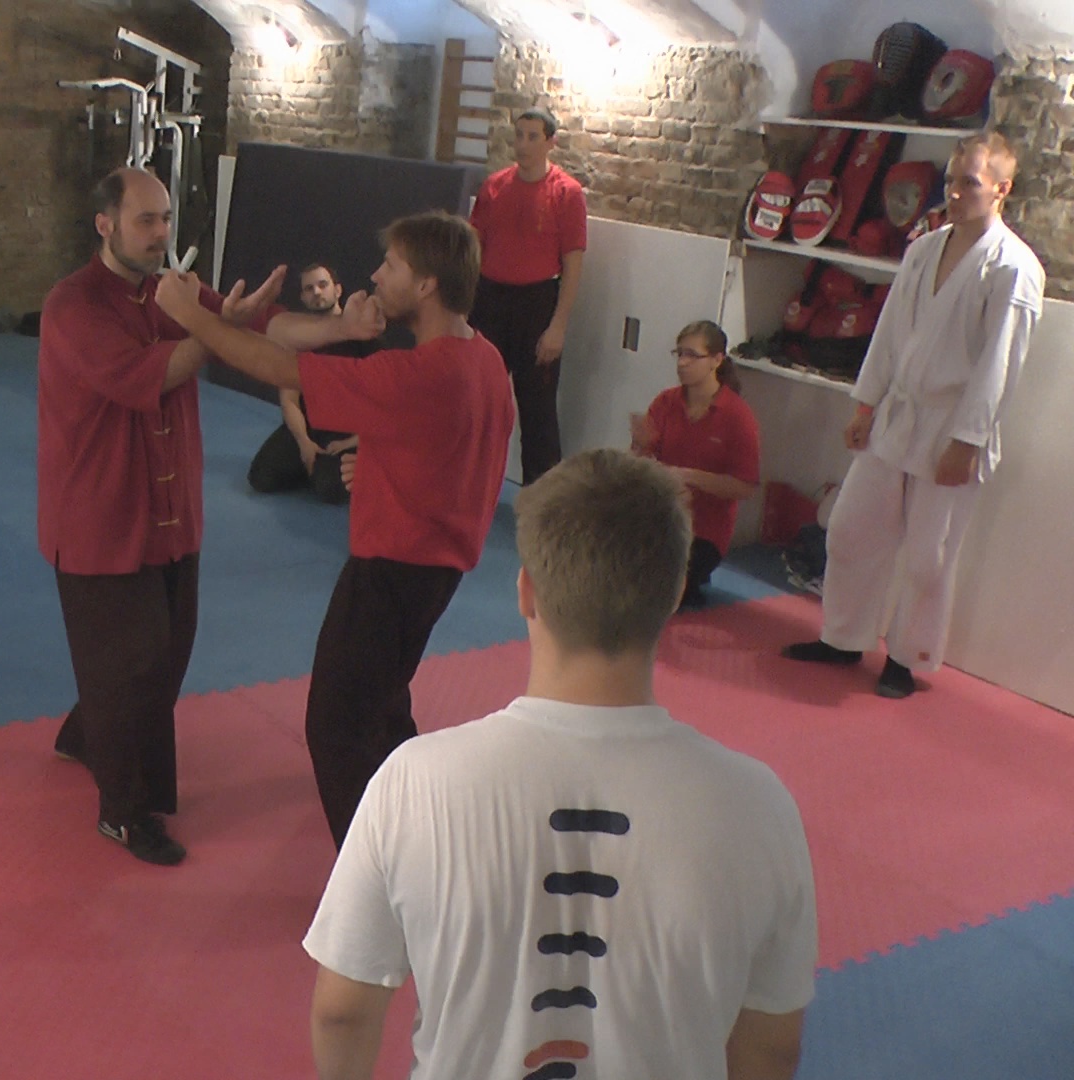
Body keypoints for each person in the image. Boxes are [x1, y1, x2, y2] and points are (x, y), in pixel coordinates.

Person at [302, 449, 818, 1080]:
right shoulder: (759, 806)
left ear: (527, 592)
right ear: (675, 592)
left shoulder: (413, 782)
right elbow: (772, 1047)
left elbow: (342, 1013)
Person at [38, 167, 381, 866]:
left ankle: (87, 735)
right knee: (133, 662)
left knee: (165, 653)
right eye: (145, 220)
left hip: (170, 512)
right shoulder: (73, 306)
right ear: (105, 224)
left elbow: (265, 325)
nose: (160, 233)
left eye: (166, 218)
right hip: (101, 513)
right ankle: (124, 812)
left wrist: (339, 326)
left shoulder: (173, 291)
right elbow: (159, 371)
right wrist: (215, 325)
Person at [154, 210, 514, 848]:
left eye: (392, 266)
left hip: (392, 570)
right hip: (438, 569)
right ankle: (416, 832)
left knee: (337, 726)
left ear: (427, 284)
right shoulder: (484, 360)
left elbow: (279, 368)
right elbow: (452, 452)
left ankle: (374, 878)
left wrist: (191, 316)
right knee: (383, 707)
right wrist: (377, 460)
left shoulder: (420, 374)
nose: (376, 276)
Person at [783, 132, 1043, 699]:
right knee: (851, 529)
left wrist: (967, 441)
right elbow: (889, 333)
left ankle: (906, 657)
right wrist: (866, 403)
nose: (955, 193)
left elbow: (1000, 365)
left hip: (953, 427)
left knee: (930, 557)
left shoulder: (1013, 268)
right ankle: (843, 637)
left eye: (969, 183)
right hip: (897, 415)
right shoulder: (924, 249)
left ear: (1002, 189)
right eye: (951, 181)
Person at [470, 107, 587, 485]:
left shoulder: (567, 193)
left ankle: (543, 500)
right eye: (518, 135)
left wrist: (558, 326)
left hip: (537, 303)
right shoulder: (494, 187)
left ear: (551, 142)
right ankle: (471, 484)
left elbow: (572, 265)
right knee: (479, 401)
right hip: (489, 300)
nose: (522, 144)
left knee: (538, 410)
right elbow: (474, 250)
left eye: (532, 136)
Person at [630, 320, 761, 609]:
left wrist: (687, 476)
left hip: (704, 530)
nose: (682, 362)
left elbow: (745, 486)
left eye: (692, 355)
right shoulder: (666, 402)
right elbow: (639, 467)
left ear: (717, 360)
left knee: (656, 591)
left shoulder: (737, 415)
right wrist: (640, 446)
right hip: (660, 517)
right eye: (679, 353)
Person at [245, 262, 361, 504]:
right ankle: (310, 467)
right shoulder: (297, 341)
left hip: (345, 431)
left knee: (331, 489)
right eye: (309, 289)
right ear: (303, 298)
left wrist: (352, 442)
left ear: (338, 290)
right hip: (309, 426)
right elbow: (289, 400)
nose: (316, 292)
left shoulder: (361, 338)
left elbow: (379, 406)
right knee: (261, 477)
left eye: (323, 285)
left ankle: (321, 470)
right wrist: (303, 443)